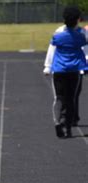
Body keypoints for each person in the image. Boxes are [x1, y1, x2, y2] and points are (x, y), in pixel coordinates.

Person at [43, 6, 86, 138]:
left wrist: (48, 66)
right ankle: (68, 126)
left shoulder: (58, 35)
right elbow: (85, 49)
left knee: (59, 98)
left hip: (59, 70)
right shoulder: (81, 36)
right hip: (74, 70)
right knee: (71, 99)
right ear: (78, 19)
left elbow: (52, 50)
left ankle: (58, 122)